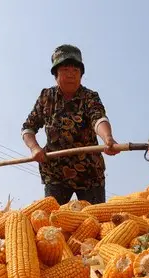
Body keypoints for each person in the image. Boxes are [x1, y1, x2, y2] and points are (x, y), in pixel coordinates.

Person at [21, 44, 119, 204]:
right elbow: (28, 128)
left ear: (81, 74)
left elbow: (98, 119)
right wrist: (34, 148)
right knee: (52, 222)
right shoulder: (47, 97)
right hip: (55, 174)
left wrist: (108, 138)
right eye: (65, 70)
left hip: (89, 172)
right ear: (55, 74)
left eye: (76, 71)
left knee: (95, 223)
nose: (71, 75)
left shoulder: (89, 97)